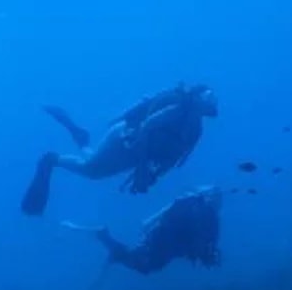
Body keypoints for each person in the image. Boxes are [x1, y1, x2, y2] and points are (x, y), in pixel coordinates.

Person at [21, 83, 218, 216]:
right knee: (91, 169)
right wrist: (142, 168)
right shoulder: (176, 111)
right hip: (124, 139)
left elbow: (175, 158)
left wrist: (153, 176)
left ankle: (81, 138)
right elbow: (145, 128)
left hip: (137, 153)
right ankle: (52, 159)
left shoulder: (195, 131)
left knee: (93, 169)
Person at [65, 186, 224, 274]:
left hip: (168, 244)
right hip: (162, 240)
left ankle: (108, 243)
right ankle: (104, 237)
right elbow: (168, 213)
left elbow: (208, 244)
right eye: (215, 198)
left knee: (142, 264)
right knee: (142, 264)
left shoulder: (209, 217)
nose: (216, 202)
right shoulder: (198, 208)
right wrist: (149, 224)